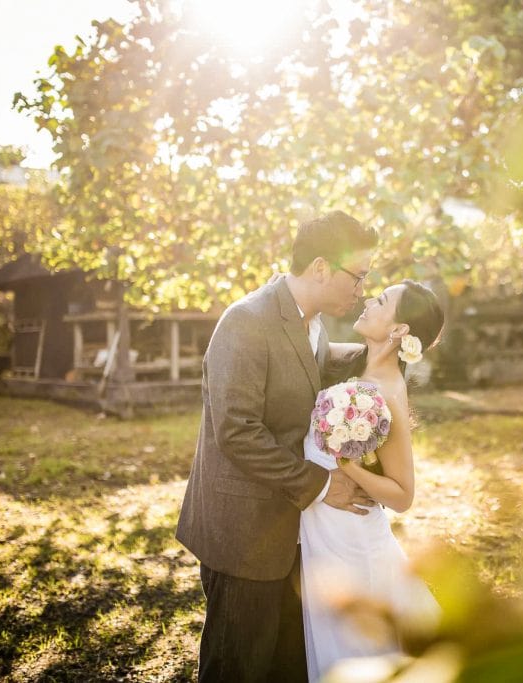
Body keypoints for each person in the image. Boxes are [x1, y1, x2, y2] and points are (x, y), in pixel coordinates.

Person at [175, 211, 379, 682]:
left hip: (290, 533)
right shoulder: (246, 322)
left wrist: (382, 350)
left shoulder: (313, 324)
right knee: (238, 669)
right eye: (359, 276)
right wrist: (324, 484)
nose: (362, 289)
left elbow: (315, 365)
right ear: (322, 268)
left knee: (286, 667)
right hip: (242, 534)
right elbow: (237, 432)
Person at [299, 279, 445, 681]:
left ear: (399, 330)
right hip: (322, 530)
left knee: (356, 653)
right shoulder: (350, 364)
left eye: (380, 301)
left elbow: (402, 496)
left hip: (353, 542)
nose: (367, 300)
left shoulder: (389, 392)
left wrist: (347, 468)